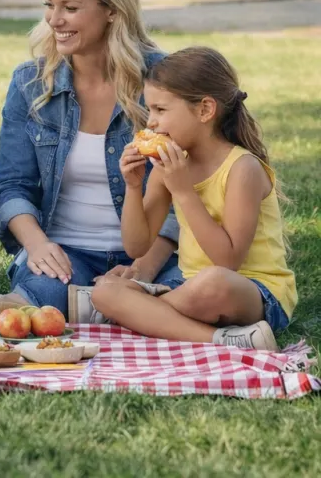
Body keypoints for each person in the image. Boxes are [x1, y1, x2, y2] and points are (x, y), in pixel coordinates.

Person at [0, 0, 184, 327]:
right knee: (46, 295)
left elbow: (185, 190)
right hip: (65, 251)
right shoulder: (30, 84)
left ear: (111, 10)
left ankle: (113, 306)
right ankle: (90, 307)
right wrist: (38, 245)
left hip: (153, 251)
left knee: (182, 293)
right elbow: (12, 185)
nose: (54, 20)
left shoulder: (165, 80)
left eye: (70, 8)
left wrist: (143, 267)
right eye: (49, 4)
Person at [92, 47, 296, 351]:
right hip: (189, 289)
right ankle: (222, 339)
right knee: (104, 292)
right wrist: (133, 187)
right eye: (150, 111)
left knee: (212, 282)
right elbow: (136, 247)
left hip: (253, 292)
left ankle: (143, 312)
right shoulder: (168, 166)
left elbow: (227, 261)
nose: (151, 123)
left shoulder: (242, 168)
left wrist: (184, 191)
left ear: (205, 110)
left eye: (161, 110)